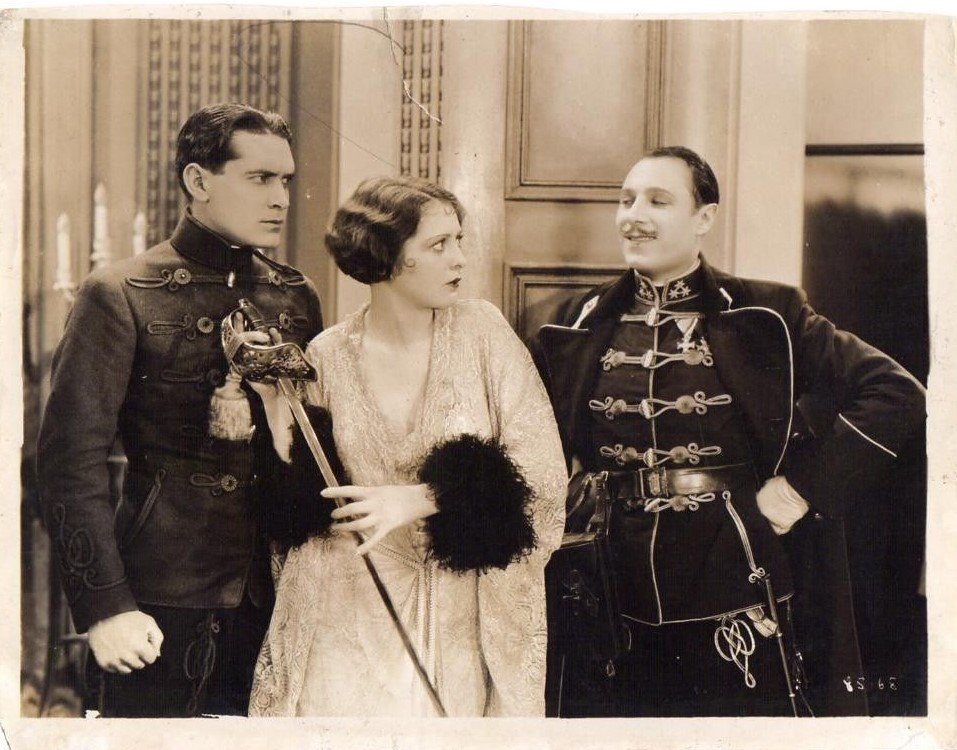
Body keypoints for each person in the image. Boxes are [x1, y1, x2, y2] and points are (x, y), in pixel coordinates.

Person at [535, 146, 926, 717]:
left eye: (657, 201)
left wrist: (799, 491)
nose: (633, 216)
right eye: (626, 200)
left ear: (704, 218)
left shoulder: (768, 314)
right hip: (608, 581)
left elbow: (895, 393)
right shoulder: (571, 322)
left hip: (733, 571)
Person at [36, 103, 323, 717]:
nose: (280, 198)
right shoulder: (119, 293)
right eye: (259, 178)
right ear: (198, 181)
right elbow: (68, 465)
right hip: (156, 606)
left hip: (277, 603)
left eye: (285, 180)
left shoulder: (295, 297)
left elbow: (309, 454)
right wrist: (106, 608)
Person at [247, 176, 567, 717]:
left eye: (459, 240)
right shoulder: (327, 354)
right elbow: (299, 509)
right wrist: (276, 408)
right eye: (438, 244)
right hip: (345, 613)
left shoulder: (483, 333)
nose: (459, 258)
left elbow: (542, 475)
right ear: (386, 254)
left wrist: (423, 497)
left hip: (458, 614)